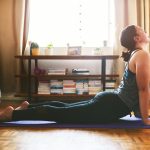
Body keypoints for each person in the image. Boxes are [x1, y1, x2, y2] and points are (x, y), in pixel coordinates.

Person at [0, 25, 150, 125]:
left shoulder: (136, 54)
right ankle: (13, 115)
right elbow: (143, 90)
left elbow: (137, 90)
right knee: (61, 114)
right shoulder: (142, 55)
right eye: (142, 30)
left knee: (64, 107)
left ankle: (27, 107)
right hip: (109, 106)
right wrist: (145, 119)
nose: (146, 31)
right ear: (136, 38)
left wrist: (140, 114)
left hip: (110, 102)